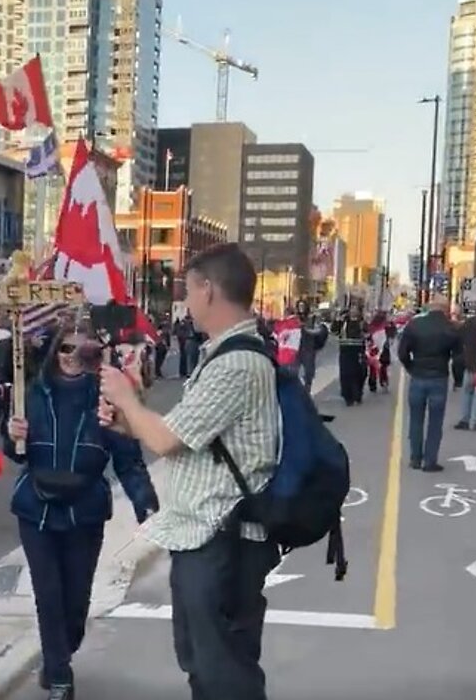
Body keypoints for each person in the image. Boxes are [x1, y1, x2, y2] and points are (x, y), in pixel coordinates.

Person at [99, 243, 282, 700]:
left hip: (223, 538)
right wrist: (130, 417)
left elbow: (165, 440)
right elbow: (184, 435)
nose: (184, 301)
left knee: (222, 671)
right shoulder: (222, 353)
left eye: (187, 289)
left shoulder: (237, 362)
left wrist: (126, 398)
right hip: (205, 535)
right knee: (203, 661)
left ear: (208, 290)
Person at [5, 325, 158, 700]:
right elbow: (13, 450)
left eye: (81, 349)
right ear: (55, 350)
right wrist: (12, 434)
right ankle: (59, 675)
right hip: (36, 505)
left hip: (85, 506)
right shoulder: (32, 394)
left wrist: (147, 507)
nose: (71, 356)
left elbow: (128, 459)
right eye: (65, 347)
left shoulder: (107, 399)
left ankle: (60, 654)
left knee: (76, 600)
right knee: (48, 593)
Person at [398, 295, 462, 471]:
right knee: (435, 422)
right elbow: (458, 358)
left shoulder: (414, 325)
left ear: (429, 307)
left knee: (416, 420)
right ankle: (430, 461)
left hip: (418, 375)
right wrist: (458, 380)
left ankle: (415, 458)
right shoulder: (451, 328)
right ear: (446, 309)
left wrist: (411, 367)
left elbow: (402, 352)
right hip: (439, 377)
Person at [332, 305, 367, 406]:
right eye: (352, 310)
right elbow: (334, 331)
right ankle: (348, 397)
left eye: (355, 310)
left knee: (360, 373)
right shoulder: (343, 322)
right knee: (346, 375)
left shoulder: (362, 322)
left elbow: (368, 332)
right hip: (345, 351)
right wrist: (337, 321)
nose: (353, 311)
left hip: (358, 351)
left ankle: (358, 394)